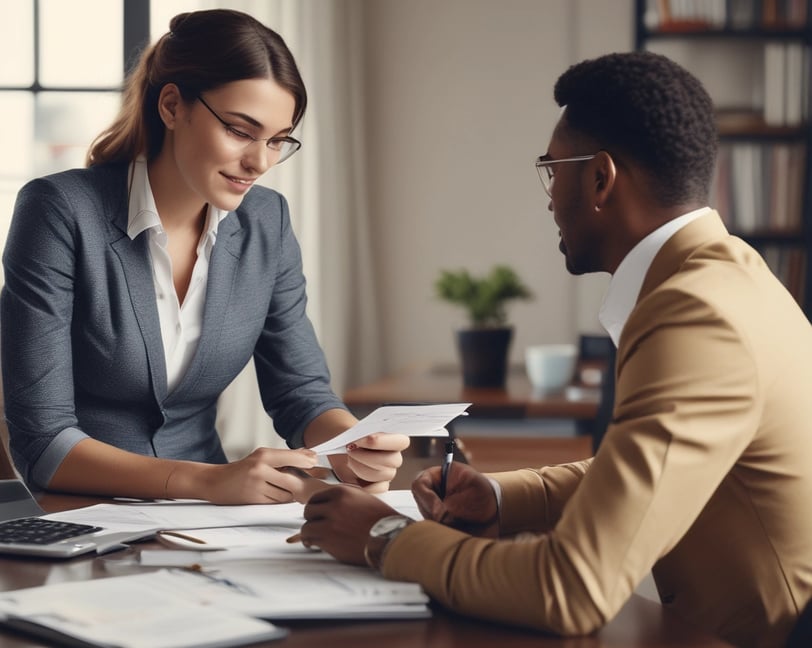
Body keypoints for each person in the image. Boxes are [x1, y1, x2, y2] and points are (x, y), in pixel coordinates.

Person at [297, 51, 812, 647]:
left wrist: (384, 535)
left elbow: (571, 589)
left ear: (600, 178)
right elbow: (653, 468)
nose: (548, 197)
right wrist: (499, 497)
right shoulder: (734, 276)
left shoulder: (695, 315)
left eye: (552, 169)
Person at [0, 9, 408, 505]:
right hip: (81, 517)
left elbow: (300, 391)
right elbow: (43, 441)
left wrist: (349, 444)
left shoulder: (267, 220)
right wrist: (207, 481)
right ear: (172, 106)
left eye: (278, 141)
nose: (260, 162)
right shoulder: (59, 211)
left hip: (212, 525)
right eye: (240, 130)